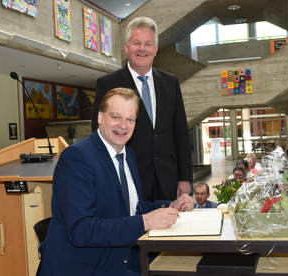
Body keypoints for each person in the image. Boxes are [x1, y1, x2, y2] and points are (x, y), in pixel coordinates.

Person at [37, 88, 193, 276]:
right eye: (116, 117)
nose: (123, 126)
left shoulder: (128, 155)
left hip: (122, 258)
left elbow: (131, 208)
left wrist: (171, 206)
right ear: (100, 117)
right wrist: (145, 222)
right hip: (84, 267)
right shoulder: (77, 157)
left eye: (130, 119)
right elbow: (81, 230)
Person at [91, 17, 192, 202]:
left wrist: (184, 177)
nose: (142, 49)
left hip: (167, 179)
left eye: (148, 44)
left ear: (155, 49)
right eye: (136, 43)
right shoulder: (108, 83)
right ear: (127, 47)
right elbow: (98, 134)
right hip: (128, 177)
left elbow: (181, 133)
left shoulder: (170, 83)